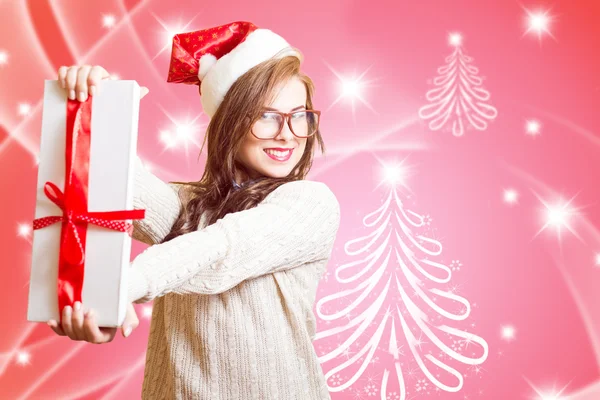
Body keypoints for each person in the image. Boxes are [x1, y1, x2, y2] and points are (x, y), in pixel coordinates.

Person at [48, 21, 340, 399]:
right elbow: (109, 185)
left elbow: (223, 248)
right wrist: (90, 102)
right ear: (229, 125)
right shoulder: (188, 208)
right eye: (267, 116)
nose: (287, 133)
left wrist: (120, 289)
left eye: (299, 115)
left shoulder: (310, 204)